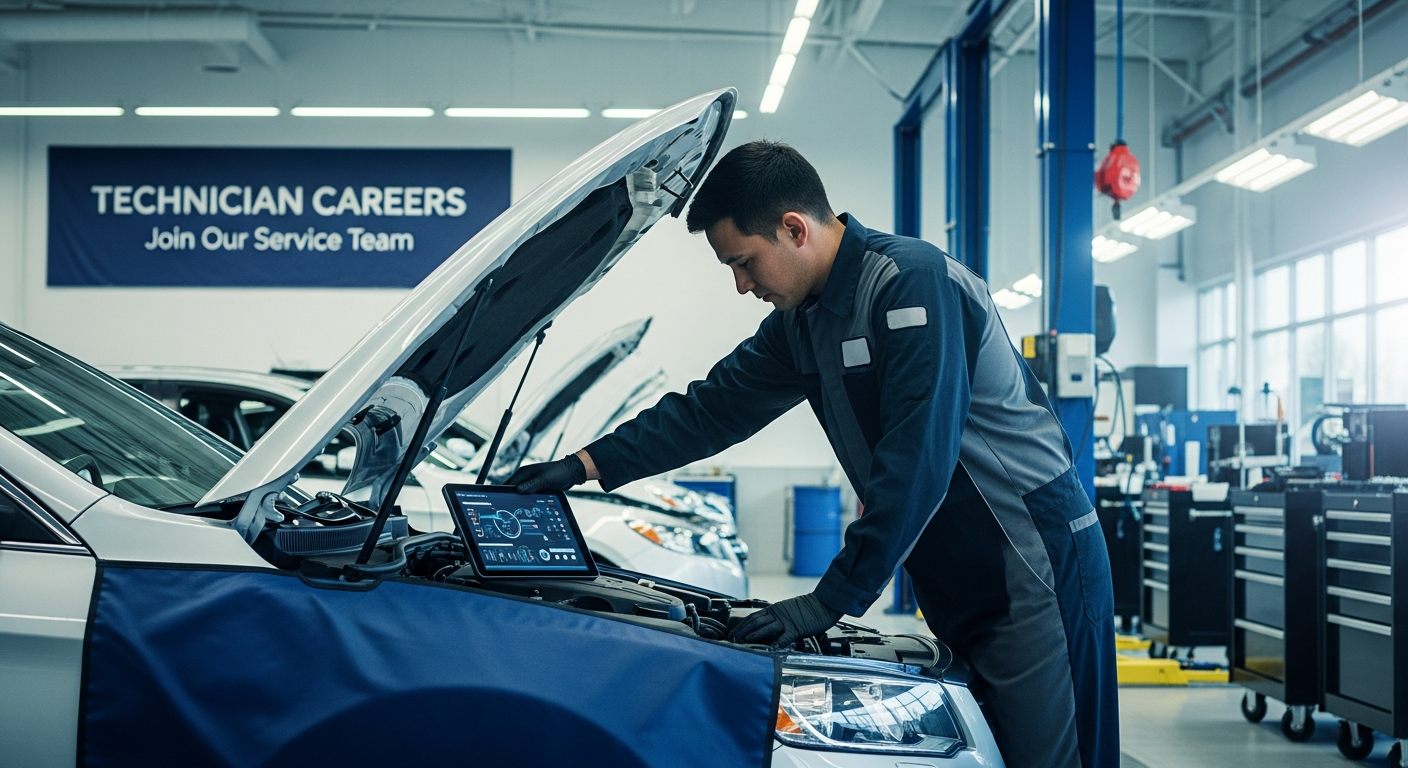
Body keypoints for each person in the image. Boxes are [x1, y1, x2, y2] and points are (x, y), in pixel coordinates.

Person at [507, 140, 1118, 768]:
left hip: (1032, 562)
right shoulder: (804, 321)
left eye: (743, 263)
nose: (742, 285)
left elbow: (917, 458)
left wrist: (830, 599)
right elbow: (711, 408)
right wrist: (584, 465)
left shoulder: (911, 284)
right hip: (961, 574)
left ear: (793, 228)